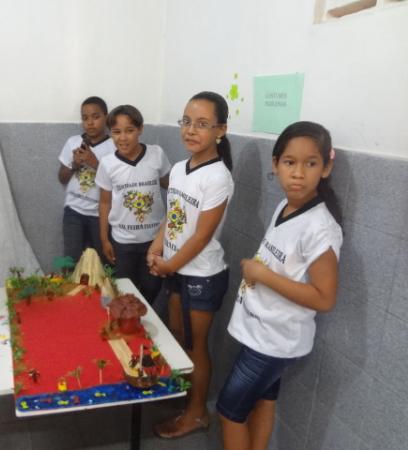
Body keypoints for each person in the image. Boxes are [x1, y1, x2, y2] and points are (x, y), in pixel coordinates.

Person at [216, 121, 343, 450]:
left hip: (273, 341)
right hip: (262, 329)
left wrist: (263, 275)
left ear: (326, 167)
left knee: (229, 412)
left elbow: (325, 298)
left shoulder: (320, 229)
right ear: (276, 164)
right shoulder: (285, 206)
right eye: (289, 162)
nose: (298, 174)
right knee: (264, 401)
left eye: (310, 163)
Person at [147, 92, 234, 438]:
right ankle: (184, 399)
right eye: (186, 121)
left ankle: (197, 413)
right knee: (180, 337)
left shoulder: (218, 177)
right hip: (176, 269)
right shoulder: (181, 169)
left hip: (202, 275)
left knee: (197, 346)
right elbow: (174, 217)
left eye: (201, 124)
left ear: (221, 130)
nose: (190, 130)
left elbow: (200, 237)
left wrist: (169, 266)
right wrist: (156, 247)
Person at [95, 105, 170, 304]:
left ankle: (144, 324)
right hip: (122, 242)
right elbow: (104, 202)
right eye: (117, 132)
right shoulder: (108, 163)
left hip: (153, 242)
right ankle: (128, 326)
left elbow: (170, 186)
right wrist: (104, 238)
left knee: (152, 288)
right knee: (124, 291)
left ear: (141, 129)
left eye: (130, 130)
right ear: (111, 133)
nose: (123, 137)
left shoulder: (156, 154)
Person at [58, 96, 116, 262]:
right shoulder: (73, 142)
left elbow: (118, 182)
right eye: (85, 118)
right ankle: (69, 285)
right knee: (70, 258)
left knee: (105, 259)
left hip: (101, 214)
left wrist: (94, 162)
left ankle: (104, 288)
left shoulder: (114, 146)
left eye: (95, 117)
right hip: (73, 211)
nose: (90, 122)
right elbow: (61, 177)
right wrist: (74, 165)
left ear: (106, 117)